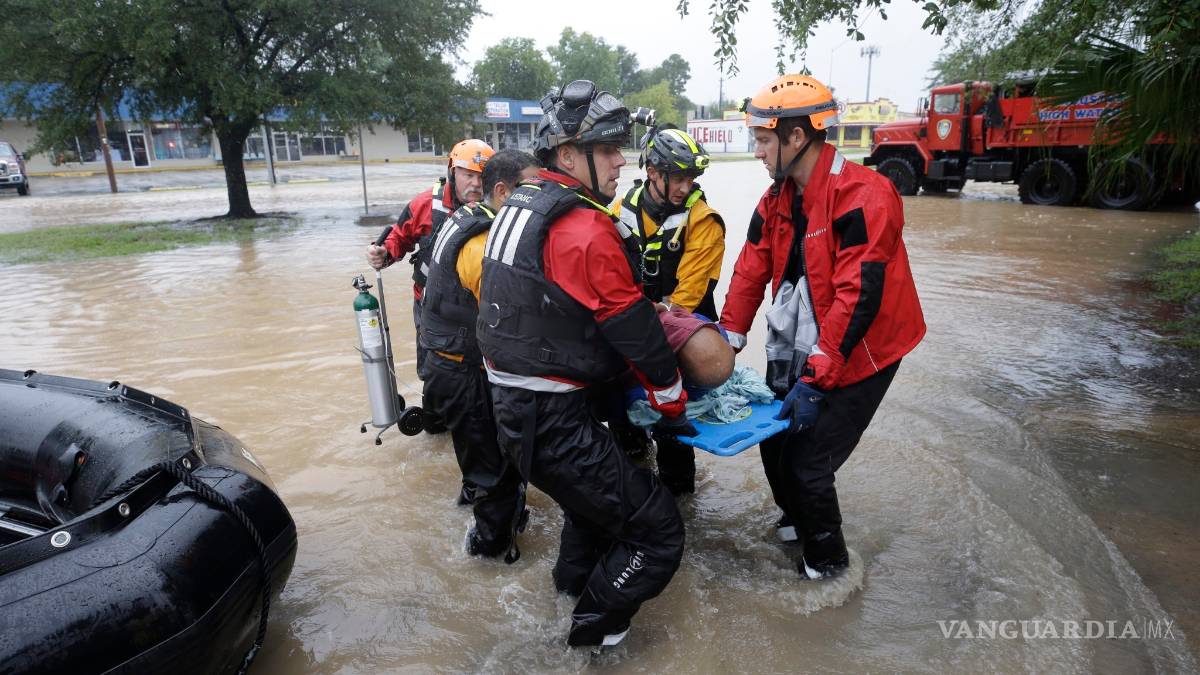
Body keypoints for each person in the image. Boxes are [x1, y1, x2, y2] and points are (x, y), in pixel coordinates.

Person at [477, 80, 692, 647]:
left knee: (590, 513)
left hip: (514, 412)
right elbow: (632, 327)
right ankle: (589, 638)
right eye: (608, 150)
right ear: (568, 155)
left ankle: (568, 595)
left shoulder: (518, 206)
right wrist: (670, 397)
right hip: (554, 422)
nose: (622, 160)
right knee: (659, 531)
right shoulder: (583, 227)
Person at [719, 74, 926, 580]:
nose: (757, 152)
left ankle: (830, 569)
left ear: (797, 136)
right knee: (774, 437)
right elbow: (750, 269)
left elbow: (858, 296)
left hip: (866, 348)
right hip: (806, 339)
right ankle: (797, 524)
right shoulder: (776, 199)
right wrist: (726, 341)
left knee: (809, 462)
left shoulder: (865, 195)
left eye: (763, 140)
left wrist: (817, 376)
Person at [419, 149, 541, 561]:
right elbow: (508, 318)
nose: (539, 197)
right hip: (462, 374)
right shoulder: (482, 243)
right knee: (494, 473)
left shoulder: (468, 217)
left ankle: (482, 521)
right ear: (503, 192)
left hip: (449, 365)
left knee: (481, 463)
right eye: (530, 189)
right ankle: (488, 555)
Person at [612, 127, 725, 495]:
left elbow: (688, 295)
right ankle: (634, 474)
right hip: (632, 324)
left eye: (690, 178)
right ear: (653, 173)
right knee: (623, 426)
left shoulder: (703, 220)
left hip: (680, 329)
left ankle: (679, 498)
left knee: (672, 433)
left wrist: (646, 324)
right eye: (678, 178)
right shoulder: (619, 210)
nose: (685, 187)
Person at [365, 139, 495, 378]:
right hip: (431, 307)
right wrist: (384, 253)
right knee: (433, 371)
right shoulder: (425, 204)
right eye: (468, 175)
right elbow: (399, 237)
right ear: (453, 172)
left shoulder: (499, 204)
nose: (476, 184)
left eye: (482, 177)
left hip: (478, 309)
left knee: (485, 370)